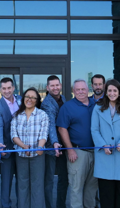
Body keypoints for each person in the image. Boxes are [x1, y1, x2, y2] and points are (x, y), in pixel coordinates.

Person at [90, 80, 120, 208]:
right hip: (104, 157)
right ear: (106, 92)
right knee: (106, 196)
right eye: (109, 90)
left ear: (119, 92)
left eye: (115, 90)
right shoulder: (97, 108)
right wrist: (103, 145)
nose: (112, 93)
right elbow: (94, 130)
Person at [56, 79, 97, 208]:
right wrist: (70, 150)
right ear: (73, 91)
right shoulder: (67, 107)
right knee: (76, 187)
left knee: (92, 188)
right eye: (77, 89)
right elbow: (62, 129)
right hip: (78, 153)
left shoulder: (96, 104)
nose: (80, 92)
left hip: (96, 152)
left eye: (83, 89)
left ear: (88, 89)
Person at [11, 87, 49, 208]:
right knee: (22, 185)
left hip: (37, 156)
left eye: (33, 97)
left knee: (37, 185)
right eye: (27, 96)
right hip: (21, 155)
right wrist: (23, 146)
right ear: (23, 98)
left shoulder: (42, 115)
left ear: (37, 100)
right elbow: (14, 135)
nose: (29, 99)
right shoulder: (16, 115)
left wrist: (40, 147)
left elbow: (44, 134)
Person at [0, 77, 21, 208]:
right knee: (6, 182)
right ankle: (6, 206)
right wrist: (0, 144)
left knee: (22, 181)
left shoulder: (21, 100)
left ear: (13, 88)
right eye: (4, 88)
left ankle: (21, 204)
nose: (7, 91)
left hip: (22, 148)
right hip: (7, 148)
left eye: (9, 88)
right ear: (0, 89)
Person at [41, 75, 68, 208]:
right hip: (51, 147)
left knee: (64, 178)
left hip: (64, 145)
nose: (55, 87)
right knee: (49, 180)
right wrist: (55, 142)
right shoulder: (46, 103)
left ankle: (60, 205)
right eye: (52, 85)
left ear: (60, 85)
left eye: (57, 85)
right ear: (48, 87)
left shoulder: (63, 98)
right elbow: (50, 124)